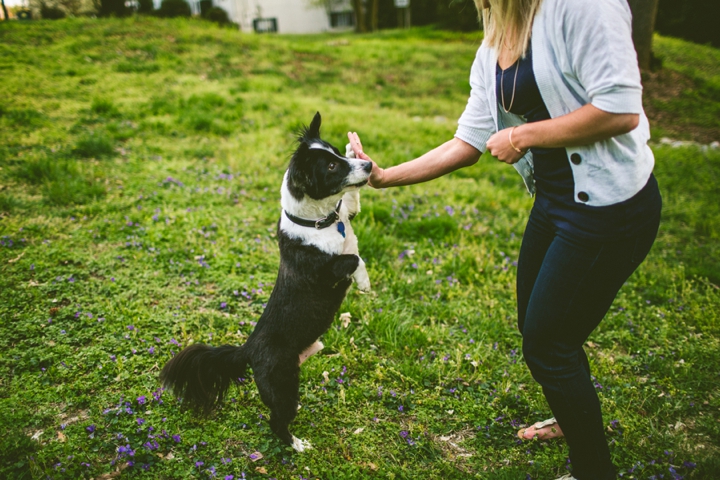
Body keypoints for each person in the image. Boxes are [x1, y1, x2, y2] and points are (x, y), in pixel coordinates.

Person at [347, 0, 662, 478]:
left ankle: (593, 469)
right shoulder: (495, 40)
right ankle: (573, 408)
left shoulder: (584, 7)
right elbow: (467, 142)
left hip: (609, 210)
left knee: (549, 343)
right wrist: (386, 177)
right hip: (556, 204)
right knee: (536, 324)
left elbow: (621, 110)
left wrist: (524, 136)